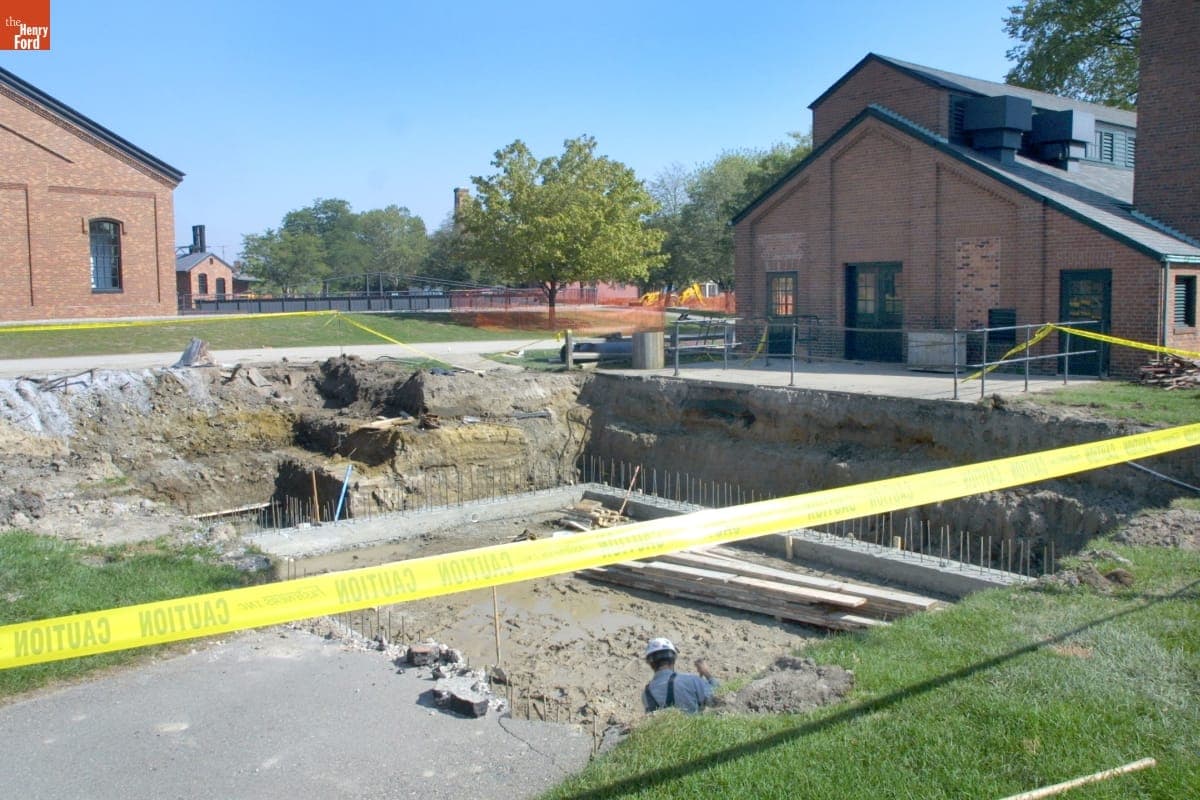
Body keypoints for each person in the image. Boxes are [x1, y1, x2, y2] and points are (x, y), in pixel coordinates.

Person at [642, 637, 718, 714]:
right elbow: (720, 698)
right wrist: (707, 673)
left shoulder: (646, 693)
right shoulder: (692, 681)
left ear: (650, 663)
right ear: (674, 659)